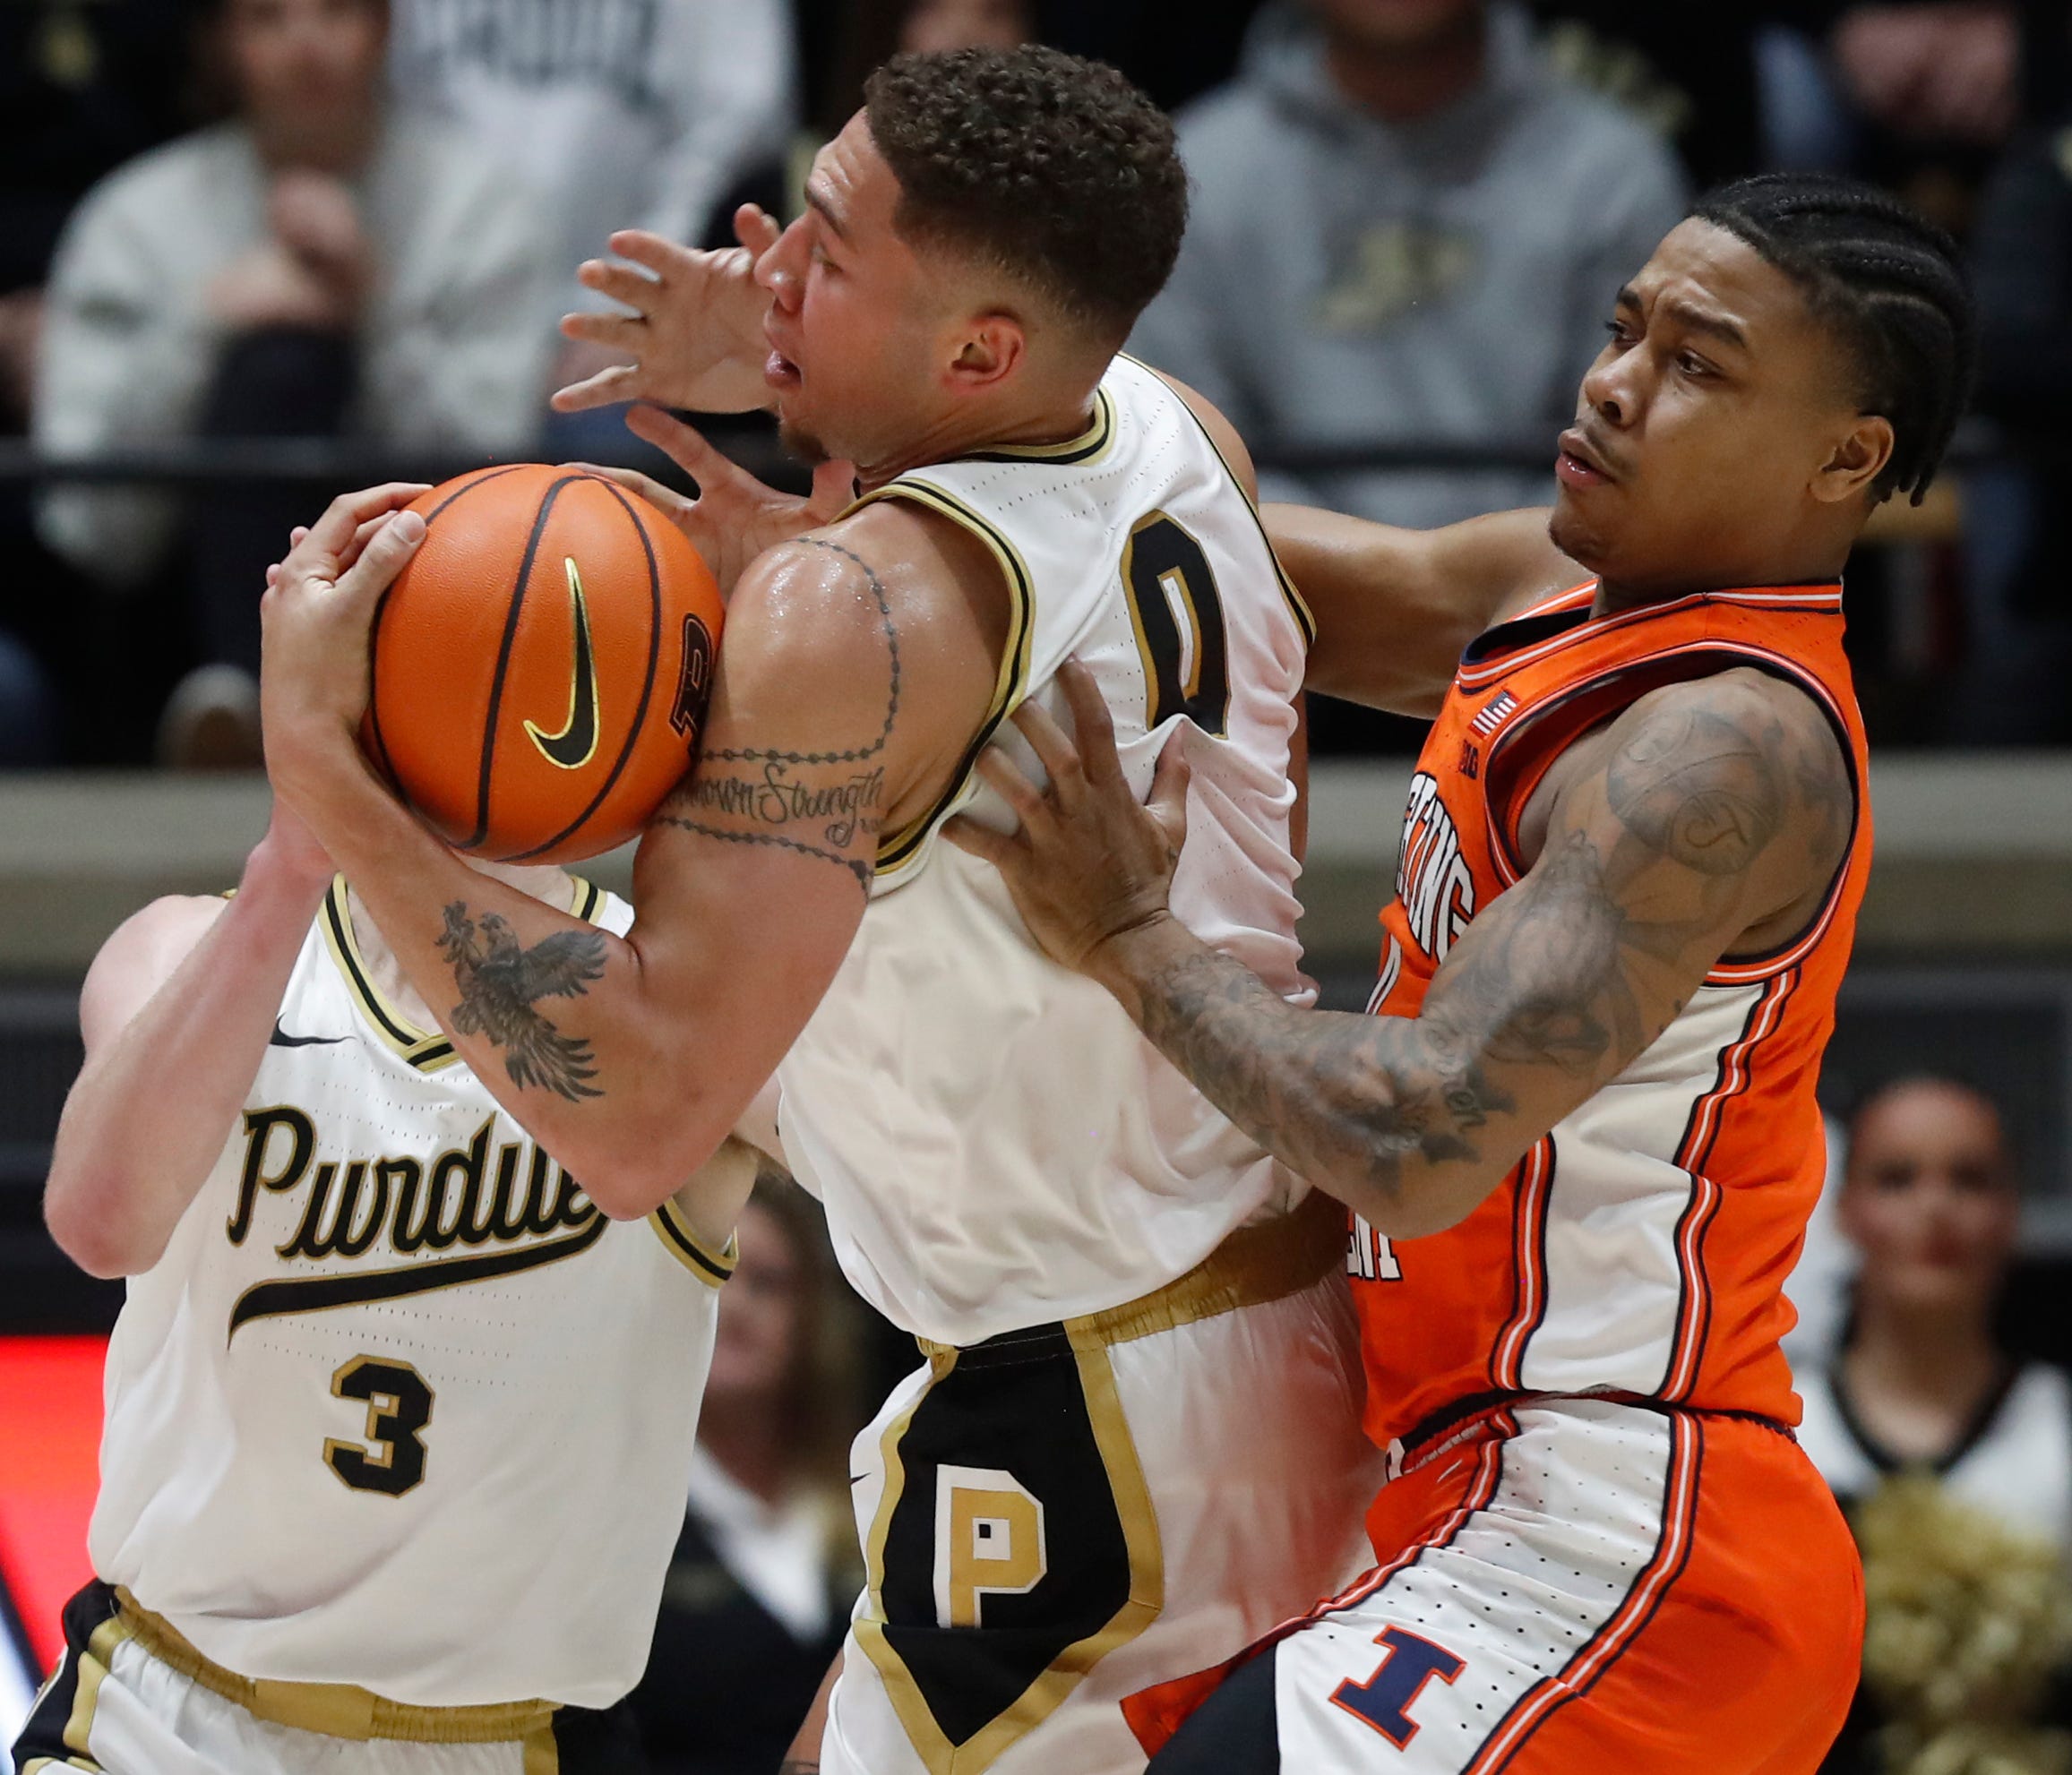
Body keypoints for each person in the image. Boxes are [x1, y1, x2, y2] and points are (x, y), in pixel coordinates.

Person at [262, 44, 1380, 1775]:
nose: (768, 260)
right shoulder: (1168, 423)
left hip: (1096, 1393)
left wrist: (333, 779)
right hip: (1266, 1326)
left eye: (830, 250)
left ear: (979, 352)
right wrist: (812, 377)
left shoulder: (843, 619)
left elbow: (637, 1115)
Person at [949, 171, 1975, 1771]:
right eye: (1621, 329)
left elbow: (1414, 1142)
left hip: (1626, 1522)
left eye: (1696, 365)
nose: (1613, 383)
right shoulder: (1549, 593)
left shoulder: (1725, 744)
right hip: (1447, 1476)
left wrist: (1126, 934)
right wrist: (901, 447)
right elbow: (1193, 572)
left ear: (1844, 457)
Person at [12, 693, 756, 1775]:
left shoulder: (677, 1004)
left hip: (517, 1741)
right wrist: (289, 861)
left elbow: (919, 1160)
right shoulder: (190, 943)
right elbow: (100, 1222)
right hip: (164, 1716)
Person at [34, 0, 555, 764]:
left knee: (294, 361)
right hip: (171, 630)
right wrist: (204, 326)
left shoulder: (481, 203)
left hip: (434, 607)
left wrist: (372, 311)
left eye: (336, 12)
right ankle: (245, 695)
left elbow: (495, 472)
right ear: (220, 43)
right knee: (275, 362)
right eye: (268, 18)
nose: (306, 45)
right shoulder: (133, 216)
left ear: (385, 28)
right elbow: (90, 526)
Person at [1127, 0, 1686, 532]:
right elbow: (1183, 454)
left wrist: (1484, 582)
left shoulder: (1614, 173)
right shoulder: (1195, 175)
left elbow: (1634, 444)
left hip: (1553, 597)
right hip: (1275, 596)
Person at [1798, 1074, 2072, 1770]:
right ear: (1844, 1210)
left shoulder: (2055, 1424)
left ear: (2010, 1208)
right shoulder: (1778, 1432)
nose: (1935, 1206)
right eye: (1896, 1179)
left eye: (1970, 1179)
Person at [630, 1179, 867, 1775]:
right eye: (715, 1280)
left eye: (768, 1284)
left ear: (813, 1314)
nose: (736, 1309)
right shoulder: (623, 1508)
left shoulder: (874, 1496)